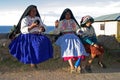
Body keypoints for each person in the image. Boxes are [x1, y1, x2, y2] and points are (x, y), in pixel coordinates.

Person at [55, 8, 88, 73]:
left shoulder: (73, 21)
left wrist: (80, 31)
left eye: (69, 14)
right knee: (68, 50)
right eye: (66, 14)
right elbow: (57, 32)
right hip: (65, 37)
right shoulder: (61, 22)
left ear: (71, 15)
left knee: (80, 49)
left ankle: (79, 66)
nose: (68, 16)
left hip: (74, 36)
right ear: (64, 15)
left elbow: (77, 29)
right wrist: (56, 26)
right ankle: (72, 67)